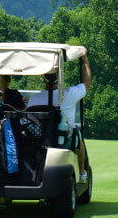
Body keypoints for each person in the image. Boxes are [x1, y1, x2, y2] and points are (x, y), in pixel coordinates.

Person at [28, 53, 91, 183]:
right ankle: (81, 172)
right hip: (62, 138)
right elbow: (87, 83)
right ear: (59, 78)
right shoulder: (69, 94)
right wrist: (85, 60)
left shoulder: (34, 99)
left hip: (37, 137)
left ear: (44, 80)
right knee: (77, 135)